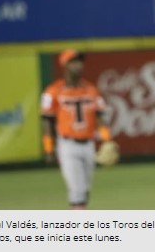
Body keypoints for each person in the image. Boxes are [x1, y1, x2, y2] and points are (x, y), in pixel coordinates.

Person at [41, 49, 112, 209]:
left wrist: (107, 139)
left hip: (88, 145)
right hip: (68, 145)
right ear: (65, 66)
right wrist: (48, 148)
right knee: (77, 191)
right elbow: (47, 121)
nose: (78, 65)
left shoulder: (91, 89)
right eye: (73, 62)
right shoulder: (53, 91)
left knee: (85, 191)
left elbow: (99, 117)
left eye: (79, 62)